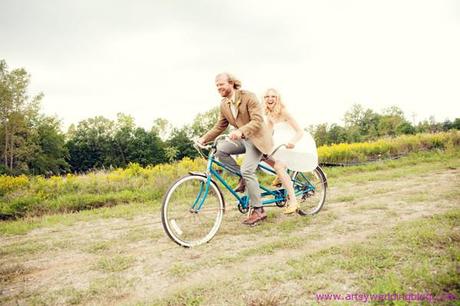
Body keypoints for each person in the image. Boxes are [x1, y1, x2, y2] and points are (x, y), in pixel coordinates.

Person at [198, 73, 273, 225]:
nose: (219, 88)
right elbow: (220, 126)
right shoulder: (224, 104)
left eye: (221, 84)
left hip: (257, 139)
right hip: (243, 139)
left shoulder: (248, 97)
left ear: (231, 83)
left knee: (247, 170)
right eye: (217, 85)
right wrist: (204, 138)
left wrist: (240, 131)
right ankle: (242, 177)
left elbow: (257, 121)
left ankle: (259, 210)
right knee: (220, 151)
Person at [262, 88, 306, 214]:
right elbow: (268, 133)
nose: (270, 99)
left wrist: (293, 142)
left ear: (277, 99)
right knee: (263, 155)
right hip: (279, 145)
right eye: (267, 96)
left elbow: (299, 131)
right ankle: (280, 176)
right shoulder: (269, 114)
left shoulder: (284, 113)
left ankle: (293, 202)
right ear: (264, 99)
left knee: (279, 166)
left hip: (291, 144)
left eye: (273, 96)